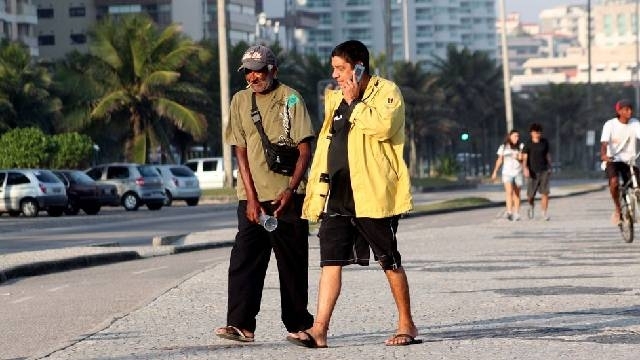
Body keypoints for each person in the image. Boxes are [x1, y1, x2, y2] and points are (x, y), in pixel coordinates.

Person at [289, 40, 420, 348]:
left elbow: (385, 127)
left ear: (359, 66)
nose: (335, 74)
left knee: (388, 259)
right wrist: (315, 190)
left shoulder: (387, 92)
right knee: (329, 261)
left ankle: (407, 324)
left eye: (340, 68)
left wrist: (355, 103)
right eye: (333, 68)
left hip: (372, 196)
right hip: (336, 194)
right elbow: (326, 143)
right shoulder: (334, 99)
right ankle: (319, 329)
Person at [216, 44, 315, 343]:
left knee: (292, 264)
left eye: (259, 70)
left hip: (288, 196)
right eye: (248, 71)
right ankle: (241, 324)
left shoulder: (291, 98)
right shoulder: (239, 101)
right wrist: (250, 197)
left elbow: (304, 150)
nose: (253, 77)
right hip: (252, 198)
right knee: (244, 260)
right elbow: (241, 153)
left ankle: (299, 325)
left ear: (273, 69)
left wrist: (290, 189)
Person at [600, 99, 640, 224]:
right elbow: (604, 143)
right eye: (626, 109)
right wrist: (604, 155)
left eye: (631, 108)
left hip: (630, 161)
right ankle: (618, 208)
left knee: (638, 185)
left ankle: (634, 205)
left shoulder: (635, 123)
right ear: (619, 111)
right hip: (613, 160)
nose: (630, 111)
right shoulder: (610, 124)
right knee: (614, 182)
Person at [491, 129, 524, 221]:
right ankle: (509, 211)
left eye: (518, 136)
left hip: (518, 172)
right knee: (509, 192)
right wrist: (495, 171)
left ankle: (516, 213)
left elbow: (523, 159)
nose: (516, 138)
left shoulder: (521, 146)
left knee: (516, 193)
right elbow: (499, 160)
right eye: (514, 136)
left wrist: (518, 157)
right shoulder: (503, 147)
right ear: (509, 137)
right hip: (507, 173)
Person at [522, 123, 552, 221]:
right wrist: (525, 169)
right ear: (531, 133)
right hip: (532, 171)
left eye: (539, 132)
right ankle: (531, 206)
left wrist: (550, 166)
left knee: (545, 193)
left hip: (544, 170)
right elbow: (525, 158)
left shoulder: (545, 142)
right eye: (535, 132)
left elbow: (547, 155)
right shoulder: (528, 144)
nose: (537, 134)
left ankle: (544, 213)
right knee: (530, 194)